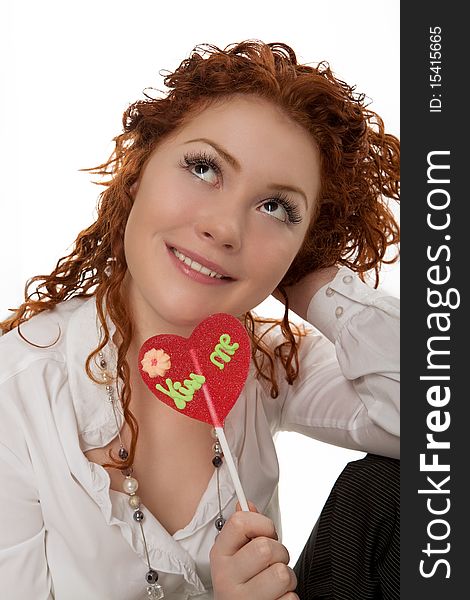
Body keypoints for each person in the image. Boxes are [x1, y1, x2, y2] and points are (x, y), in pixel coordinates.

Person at [0, 40, 399, 600]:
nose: (226, 228)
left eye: (276, 207)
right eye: (204, 168)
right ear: (138, 171)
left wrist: (312, 283)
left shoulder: (262, 361)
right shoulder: (16, 394)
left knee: (406, 490)